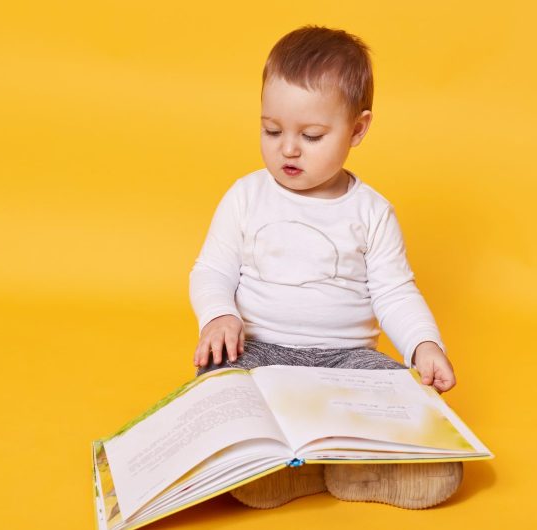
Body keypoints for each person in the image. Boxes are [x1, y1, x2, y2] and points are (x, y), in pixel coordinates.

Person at [189, 25, 462, 510]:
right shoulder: (246, 197)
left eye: (311, 135)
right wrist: (218, 316)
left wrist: (424, 345)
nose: (288, 148)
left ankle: (352, 467)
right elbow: (211, 271)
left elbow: (395, 292)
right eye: (272, 130)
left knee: (399, 392)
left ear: (357, 129)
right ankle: (285, 465)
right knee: (219, 384)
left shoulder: (371, 212)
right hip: (261, 352)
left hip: (345, 361)